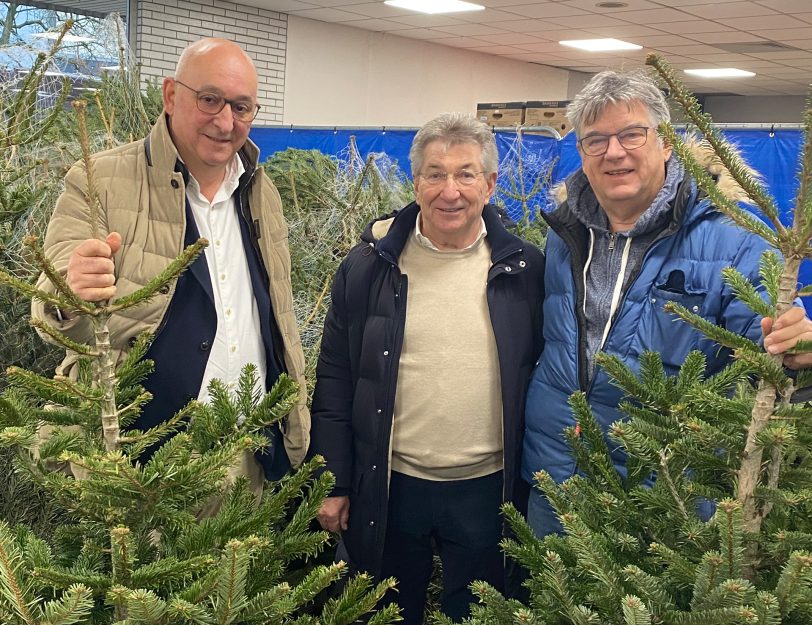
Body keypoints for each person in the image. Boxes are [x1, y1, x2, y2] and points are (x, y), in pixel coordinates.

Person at [521, 68, 812, 538]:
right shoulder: (563, 235)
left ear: (666, 142)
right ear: (581, 152)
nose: (613, 152)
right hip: (557, 481)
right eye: (595, 140)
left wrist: (798, 352)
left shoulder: (736, 242)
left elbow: (773, 366)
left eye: (631, 134)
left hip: (670, 496)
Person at [31, 38, 308, 486]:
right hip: (140, 465)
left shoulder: (262, 192)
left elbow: (279, 315)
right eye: (210, 99)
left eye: (241, 107)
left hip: (250, 449)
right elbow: (52, 309)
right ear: (171, 95)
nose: (225, 121)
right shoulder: (99, 181)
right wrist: (70, 293)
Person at [309, 113, 544, 624]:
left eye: (465, 173)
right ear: (416, 183)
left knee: (478, 615)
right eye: (435, 174)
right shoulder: (369, 266)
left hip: (488, 487)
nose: (450, 190)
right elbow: (335, 379)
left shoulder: (525, 270)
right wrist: (333, 480)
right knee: (386, 614)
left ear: (490, 184)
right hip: (391, 484)